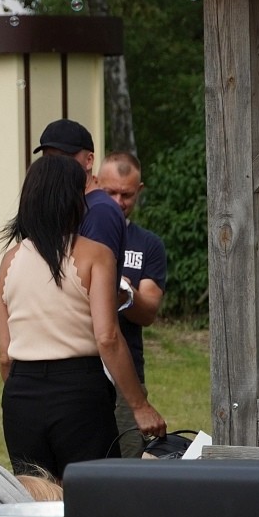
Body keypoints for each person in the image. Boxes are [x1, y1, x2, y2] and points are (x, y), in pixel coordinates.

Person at [0, 155, 166, 479]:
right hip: (78, 391)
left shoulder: (10, 260)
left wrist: (28, 392)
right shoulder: (96, 255)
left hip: (20, 394)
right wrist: (140, 407)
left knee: (36, 497)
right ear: (74, 199)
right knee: (94, 498)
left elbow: (5, 356)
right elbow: (108, 338)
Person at [96, 152, 168, 457]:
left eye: (126, 194)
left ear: (139, 190)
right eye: (110, 192)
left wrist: (124, 292)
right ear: (96, 185)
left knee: (127, 456)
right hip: (82, 366)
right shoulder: (82, 236)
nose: (117, 201)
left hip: (127, 369)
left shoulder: (148, 244)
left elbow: (149, 311)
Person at [33, 118, 126, 274]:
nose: (55, 166)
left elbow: (91, 280)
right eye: (49, 158)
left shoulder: (100, 211)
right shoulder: (68, 206)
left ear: (89, 160)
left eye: (63, 157)